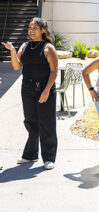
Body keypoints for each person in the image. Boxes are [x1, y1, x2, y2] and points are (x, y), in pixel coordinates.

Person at [2, 18, 58, 170]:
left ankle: (49, 158)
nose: (31, 30)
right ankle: (30, 155)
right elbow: (16, 66)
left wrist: (47, 90)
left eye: (35, 28)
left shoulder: (48, 48)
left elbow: (54, 71)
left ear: (43, 30)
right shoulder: (25, 46)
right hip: (27, 89)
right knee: (30, 122)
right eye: (29, 27)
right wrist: (13, 51)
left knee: (46, 123)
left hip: (44, 89)